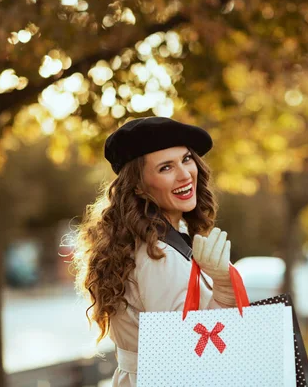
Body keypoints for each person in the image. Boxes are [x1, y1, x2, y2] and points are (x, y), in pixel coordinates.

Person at [71, 116, 237, 387]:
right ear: (138, 185)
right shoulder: (159, 255)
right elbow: (186, 354)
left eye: (186, 159)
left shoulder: (139, 243)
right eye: (165, 168)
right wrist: (223, 285)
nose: (185, 174)